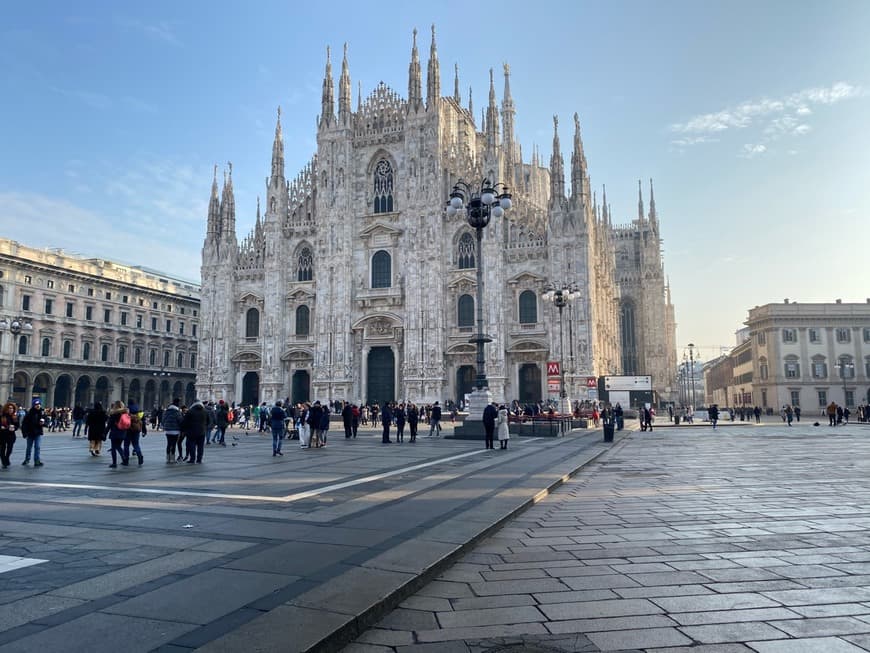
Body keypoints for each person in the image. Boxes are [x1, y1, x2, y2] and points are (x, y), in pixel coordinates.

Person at [21, 398, 45, 467]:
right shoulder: (30, 413)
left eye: (39, 404)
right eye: (36, 404)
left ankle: (37, 460)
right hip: (30, 433)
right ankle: (27, 459)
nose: (38, 406)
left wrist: (43, 423)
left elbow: (45, 421)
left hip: (38, 433)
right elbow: (24, 424)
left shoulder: (42, 412)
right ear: (33, 405)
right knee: (29, 447)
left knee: (37, 447)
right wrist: (24, 433)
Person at [107, 400, 130, 468]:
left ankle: (114, 463)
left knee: (114, 448)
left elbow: (109, 424)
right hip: (123, 432)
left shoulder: (114, 414)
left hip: (115, 432)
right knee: (118, 446)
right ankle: (124, 459)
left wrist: (105, 433)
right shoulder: (125, 413)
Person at [124, 400, 146, 466]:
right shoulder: (139, 411)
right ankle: (140, 456)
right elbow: (143, 422)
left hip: (128, 429)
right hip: (136, 429)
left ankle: (126, 460)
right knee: (136, 444)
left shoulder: (126, 410)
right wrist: (144, 430)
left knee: (126, 445)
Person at [163, 397, 183, 464]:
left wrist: (165, 426)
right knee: (173, 444)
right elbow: (180, 421)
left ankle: (168, 458)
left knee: (168, 444)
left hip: (168, 430)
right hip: (175, 430)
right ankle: (172, 459)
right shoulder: (177, 412)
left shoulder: (167, 411)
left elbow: (163, 419)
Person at [0, 401, 19, 469]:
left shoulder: (14, 417)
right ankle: (4, 461)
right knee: (2, 448)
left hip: (11, 435)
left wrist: (14, 428)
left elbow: (17, 425)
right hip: (2, 434)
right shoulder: (2, 416)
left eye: (12, 408)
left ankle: (7, 457)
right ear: (6, 409)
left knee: (10, 448)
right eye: (9, 408)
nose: (11, 409)